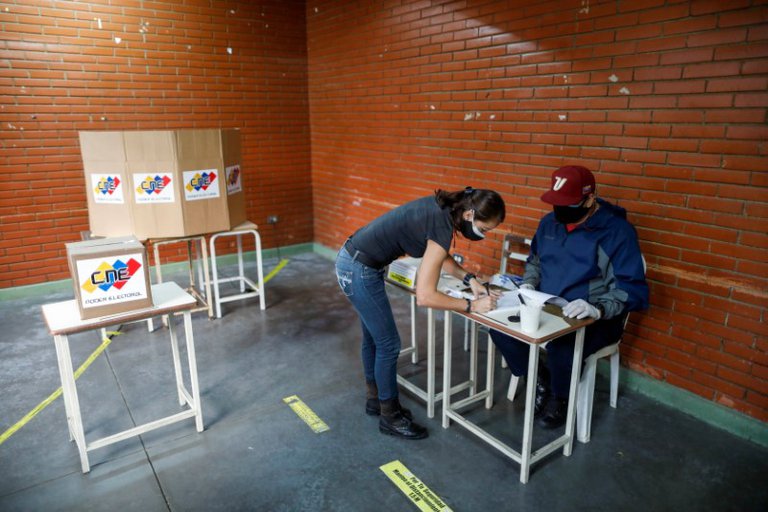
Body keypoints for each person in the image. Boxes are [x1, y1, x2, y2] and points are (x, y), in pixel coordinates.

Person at [335, 187, 506, 440]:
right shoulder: (443, 222)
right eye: (486, 229)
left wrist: (469, 279)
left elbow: (439, 254)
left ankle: (376, 401)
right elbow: (426, 296)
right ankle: (390, 417)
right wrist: (472, 306)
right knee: (388, 344)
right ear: (470, 215)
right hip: (359, 269)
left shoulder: (445, 210)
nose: (485, 235)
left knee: (374, 338)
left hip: (353, 260)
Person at [490, 165, 648, 429]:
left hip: (595, 316)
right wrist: (528, 284)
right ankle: (539, 378)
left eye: (570, 205)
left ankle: (560, 397)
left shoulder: (617, 232)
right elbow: (536, 262)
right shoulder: (549, 223)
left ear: (590, 199)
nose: (562, 212)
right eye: (557, 203)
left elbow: (630, 288)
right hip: (548, 306)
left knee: (562, 348)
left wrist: (597, 308)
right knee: (499, 326)